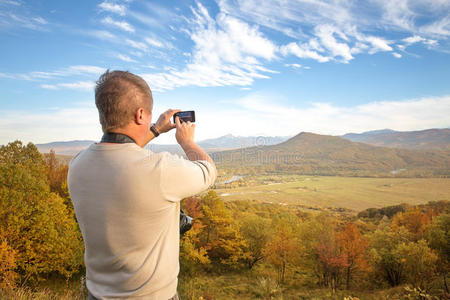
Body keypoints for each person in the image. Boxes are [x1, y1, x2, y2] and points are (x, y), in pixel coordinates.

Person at [68, 70, 217, 300]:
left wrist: (156, 129)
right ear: (140, 115)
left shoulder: (77, 166)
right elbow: (208, 171)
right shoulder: (159, 169)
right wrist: (186, 141)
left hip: (96, 295)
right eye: (147, 116)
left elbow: (120, 152)